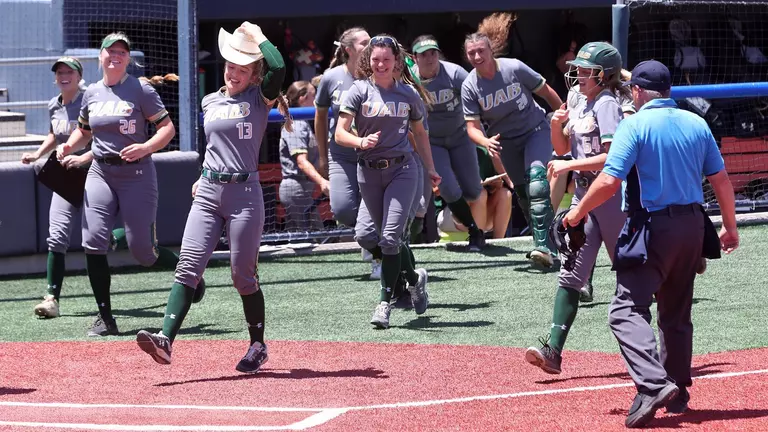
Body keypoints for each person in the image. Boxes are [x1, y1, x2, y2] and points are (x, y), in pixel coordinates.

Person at [562, 60, 738, 428]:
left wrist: (576, 214)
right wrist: (730, 228)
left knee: (625, 310)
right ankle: (677, 390)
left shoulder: (634, 124)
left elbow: (610, 181)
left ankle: (654, 383)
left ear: (639, 92)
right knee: (675, 312)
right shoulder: (696, 122)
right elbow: (721, 180)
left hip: (652, 228)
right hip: (692, 225)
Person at [136, 22, 291, 373]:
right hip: (208, 190)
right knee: (188, 266)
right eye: (230, 66)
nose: (234, 73)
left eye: (242, 68)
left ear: (254, 74)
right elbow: (215, 146)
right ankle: (165, 341)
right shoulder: (210, 100)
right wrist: (203, 174)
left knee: (242, 276)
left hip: (245, 193)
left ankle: (257, 344)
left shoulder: (259, 97)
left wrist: (258, 35)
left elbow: (279, 67)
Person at [57, 33, 201, 336]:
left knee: (144, 252)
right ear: (100, 56)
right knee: (93, 242)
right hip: (100, 172)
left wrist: (146, 147)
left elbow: (167, 128)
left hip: (136, 173)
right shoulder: (92, 92)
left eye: (122, 52)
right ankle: (106, 318)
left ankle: (191, 277)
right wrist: (69, 146)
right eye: (110, 51)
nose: (116, 56)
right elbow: (84, 131)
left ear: (127, 58)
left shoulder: (141, 89)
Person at [524, 42, 627, 375]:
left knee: (631, 274)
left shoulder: (608, 104)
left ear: (604, 75)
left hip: (610, 198)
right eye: (578, 69)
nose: (579, 75)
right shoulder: (581, 101)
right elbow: (562, 146)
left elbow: (613, 159)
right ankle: (552, 351)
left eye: (586, 71)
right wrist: (556, 126)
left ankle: (653, 350)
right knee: (570, 274)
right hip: (585, 195)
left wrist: (569, 166)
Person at [335, 34, 440, 329]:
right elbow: (339, 133)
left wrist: (430, 169)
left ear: (397, 62)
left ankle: (384, 303)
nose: (381, 65)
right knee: (384, 239)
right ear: (369, 61)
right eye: (376, 60)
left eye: (387, 60)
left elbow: (420, 134)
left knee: (390, 238)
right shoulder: (357, 91)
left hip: (402, 170)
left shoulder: (408, 95)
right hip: (368, 171)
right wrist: (360, 141)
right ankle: (413, 279)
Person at [20, 57, 130, 319]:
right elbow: (54, 135)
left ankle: (129, 236)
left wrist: (84, 157)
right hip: (65, 176)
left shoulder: (91, 99)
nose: (63, 75)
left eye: (69, 71)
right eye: (59, 72)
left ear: (79, 76)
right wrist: (37, 154)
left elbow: (104, 138)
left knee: (100, 239)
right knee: (56, 235)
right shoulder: (54, 105)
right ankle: (51, 299)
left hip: (94, 173)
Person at [461, 13, 563, 267]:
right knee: (523, 194)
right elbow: (471, 127)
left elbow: (546, 92)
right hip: (505, 142)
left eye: (480, 50)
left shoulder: (514, 68)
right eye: (471, 53)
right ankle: (551, 243)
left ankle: (542, 247)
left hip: (535, 131)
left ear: (491, 49)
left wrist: (563, 120)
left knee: (537, 183)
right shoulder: (470, 86)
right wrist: (484, 142)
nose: (476, 56)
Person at [314, 27, 382, 279]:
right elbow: (320, 119)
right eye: (365, 43)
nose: (371, 45)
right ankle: (371, 236)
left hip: (374, 153)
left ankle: (379, 255)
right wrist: (322, 155)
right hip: (341, 154)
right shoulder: (331, 78)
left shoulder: (379, 73)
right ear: (348, 50)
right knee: (342, 210)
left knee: (376, 206)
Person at [410, 35, 487, 250]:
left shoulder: (455, 74)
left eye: (433, 53)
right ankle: (474, 231)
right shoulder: (409, 81)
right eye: (424, 54)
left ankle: (459, 213)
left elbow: (477, 100)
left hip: (460, 136)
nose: (429, 58)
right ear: (415, 58)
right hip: (432, 142)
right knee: (448, 189)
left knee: (473, 191)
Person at [279, 80, 328, 232]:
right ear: (303, 98)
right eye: (314, 95)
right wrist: (322, 182)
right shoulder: (297, 124)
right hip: (296, 189)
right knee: (313, 236)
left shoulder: (304, 122)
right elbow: (301, 162)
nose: (317, 100)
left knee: (303, 237)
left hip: (303, 189)